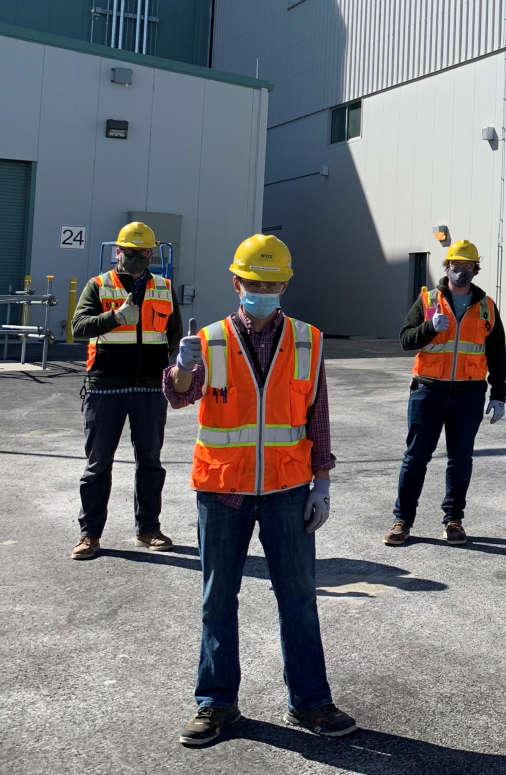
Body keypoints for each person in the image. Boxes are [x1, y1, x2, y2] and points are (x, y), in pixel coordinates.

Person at [165, 234, 357, 746]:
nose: (264, 290)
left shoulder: (308, 340)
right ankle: (216, 704)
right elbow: (180, 398)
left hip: (288, 489)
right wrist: (181, 371)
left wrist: (323, 482)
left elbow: (317, 414)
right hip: (222, 491)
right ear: (237, 283)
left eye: (272, 283)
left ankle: (311, 702)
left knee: (298, 599)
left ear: (286, 284)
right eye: (255, 283)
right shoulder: (209, 339)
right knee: (216, 599)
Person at [385, 239, 506, 547]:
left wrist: (499, 394)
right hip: (428, 391)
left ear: (475, 270)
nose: (461, 272)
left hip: (469, 395)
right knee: (415, 458)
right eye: (456, 266)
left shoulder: (487, 307)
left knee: (461, 459)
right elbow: (406, 340)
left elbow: (497, 356)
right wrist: (429, 328)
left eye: (467, 267)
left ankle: (453, 520)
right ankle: (402, 521)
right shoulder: (427, 300)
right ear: (447, 267)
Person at [69, 221, 181, 559]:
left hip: (149, 388)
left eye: (142, 253)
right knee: (97, 465)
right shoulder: (98, 286)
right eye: (129, 253)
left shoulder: (163, 287)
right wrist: (115, 318)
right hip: (104, 387)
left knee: (150, 462)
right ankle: (89, 535)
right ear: (118, 252)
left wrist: (159, 364)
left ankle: (148, 529)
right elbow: (78, 327)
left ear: (152, 253)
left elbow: (172, 333)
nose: (135, 258)